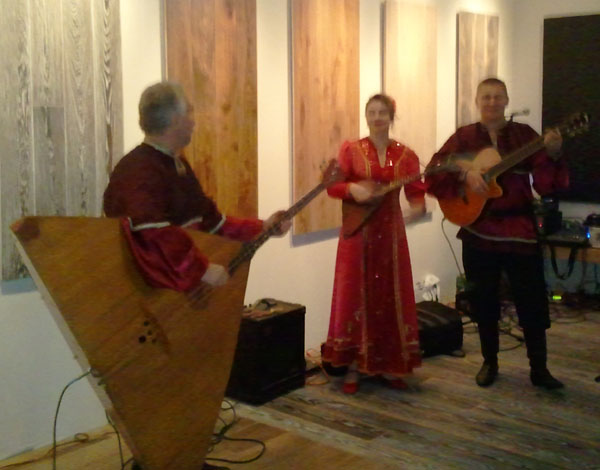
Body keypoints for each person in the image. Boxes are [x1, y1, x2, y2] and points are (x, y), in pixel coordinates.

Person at [104, 81, 290, 470]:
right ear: (172, 119)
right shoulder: (136, 171)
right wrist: (202, 270)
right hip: (154, 302)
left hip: (180, 296)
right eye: (189, 111)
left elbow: (211, 221)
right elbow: (152, 232)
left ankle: (182, 458)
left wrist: (262, 226)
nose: (194, 120)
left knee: (186, 383)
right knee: (160, 387)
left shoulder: (176, 164)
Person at [425, 77, 567, 390]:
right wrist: (466, 172)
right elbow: (434, 170)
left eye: (497, 97)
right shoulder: (464, 137)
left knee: (531, 300)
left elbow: (547, 185)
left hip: (519, 231)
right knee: (483, 300)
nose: (492, 102)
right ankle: (490, 362)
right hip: (479, 232)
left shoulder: (524, 136)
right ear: (478, 101)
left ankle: (539, 368)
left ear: (506, 100)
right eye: (486, 97)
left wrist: (554, 154)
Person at [321, 94, 426, 394]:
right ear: (366, 116)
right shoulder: (351, 151)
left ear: (392, 116)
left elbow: (416, 192)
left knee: (389, 297)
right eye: (372, 112)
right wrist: (353, 188)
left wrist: (417, 207)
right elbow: (331, 186)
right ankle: (353, 367)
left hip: (391, 235)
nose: (377, 117)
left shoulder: (406, 155)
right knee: (357, 295)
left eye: (383, 112)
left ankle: (389, 364)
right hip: (358, 234)